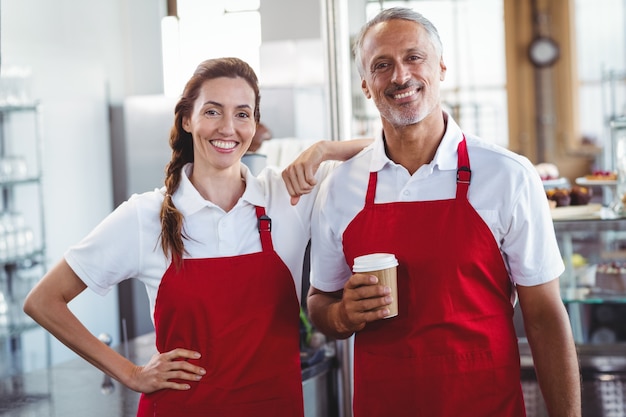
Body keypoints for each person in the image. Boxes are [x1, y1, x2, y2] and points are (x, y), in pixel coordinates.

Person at [23, 57, 369, 417]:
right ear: (187, 119)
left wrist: (323, 149)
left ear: (254, 124)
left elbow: (388, 148)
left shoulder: (287, 197)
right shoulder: (145, 216)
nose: (228, 128)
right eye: (213, 111)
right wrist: (131, 373)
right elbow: (44, 300)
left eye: (242, 114)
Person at [306, 7, 581, 417]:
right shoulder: (340, 187)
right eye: (382, 65)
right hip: (383, 404)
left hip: (485, 403)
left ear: (441, 68)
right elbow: (319, 301)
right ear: (366, 85)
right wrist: (342, 315)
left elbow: (543, 316)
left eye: (414, 57)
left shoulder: (507, 176)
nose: (400, 76)